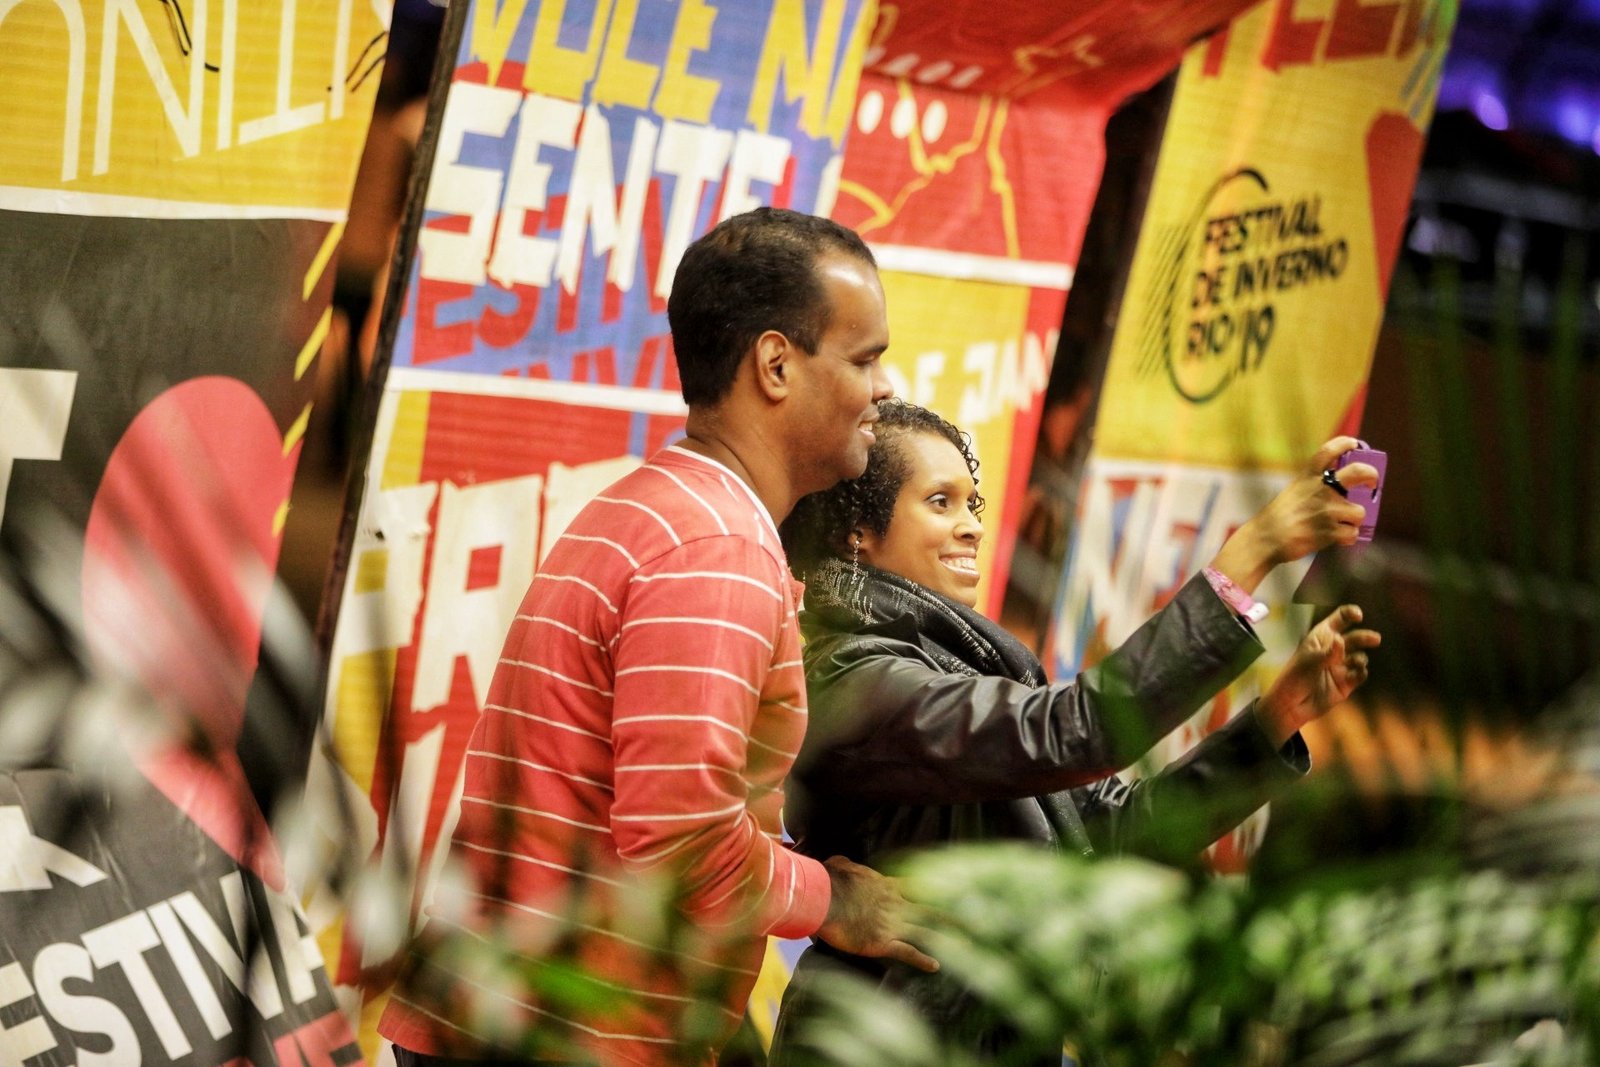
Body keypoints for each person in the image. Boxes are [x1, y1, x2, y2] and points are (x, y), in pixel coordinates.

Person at [378, 209, 938, 1067]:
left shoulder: (658, 509)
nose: (884, 387)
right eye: (864, 358)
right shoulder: (716, 550)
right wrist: (833, 900)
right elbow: (680, 845)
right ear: (776, 365)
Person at [767, 400, 1382, 1064]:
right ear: (857, 532)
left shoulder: (954, 668)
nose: (972, 526)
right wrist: (1254, 550)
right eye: (940, 502)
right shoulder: (855, 678)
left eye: (972, 503)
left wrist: (1275, 720)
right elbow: (1075, 728)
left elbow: (1118, 831)